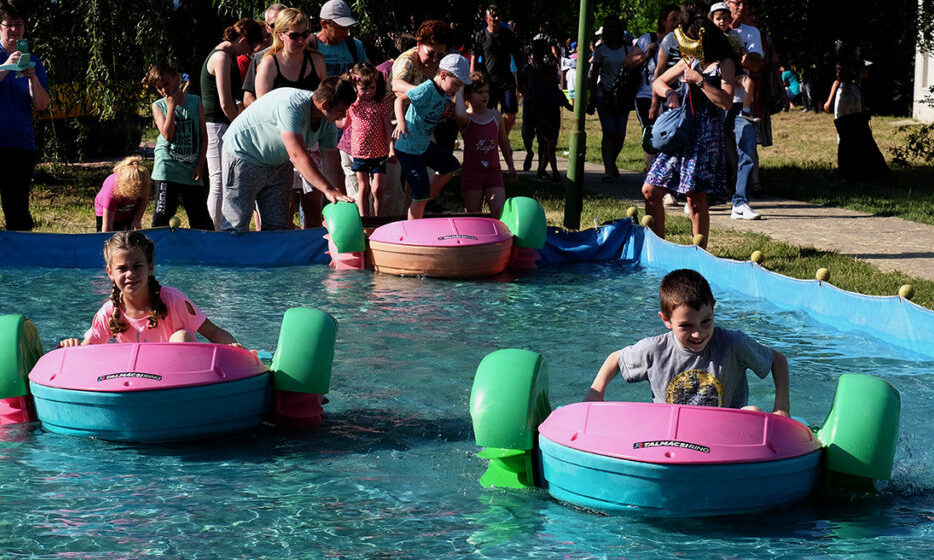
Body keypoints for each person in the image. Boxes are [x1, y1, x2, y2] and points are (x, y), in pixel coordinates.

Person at [585, 269, 790, 417]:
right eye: (686, 325)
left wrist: (781, 408)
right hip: (670, 432)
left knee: (752, 413)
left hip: (725, 430)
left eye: (706, 321)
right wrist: (595, 393)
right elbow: (616, 358)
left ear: (713, 308)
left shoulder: (733, 344)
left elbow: (777, 360)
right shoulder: (654, 350)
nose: (697, 333)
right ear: (666, 320)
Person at [641, 18, 736, 249]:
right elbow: (659, 82)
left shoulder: (724, 63)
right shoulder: (688, 61)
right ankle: (659, 248)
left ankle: (698, 253)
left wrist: (701, 81)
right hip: (681, 133)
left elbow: (726, 102)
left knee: (695, 197)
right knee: (650, 190)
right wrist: (671, 94)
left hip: (705, 136)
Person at [220, 77, 356, 233]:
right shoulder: (292, 106)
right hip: (243, 155)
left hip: (278, 163)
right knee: (235, 226)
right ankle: (229, 257)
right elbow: (297, 155)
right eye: (341, 110)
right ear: (325, 104)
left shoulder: (327, 123)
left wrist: (339, 197)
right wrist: (327, 189)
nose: (344, 115)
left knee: (278, 227)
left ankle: (270, 258)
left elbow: (332, 164)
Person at [59, 232, 239, 347]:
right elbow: (86, 351)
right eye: (122, 268)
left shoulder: (174, 300)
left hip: (179, 380)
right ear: (110, 272)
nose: (130, 274)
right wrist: (71, 347)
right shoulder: (109, 312)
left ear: (150, 267)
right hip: (136, 383)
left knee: (181, 337)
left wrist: (237, 350)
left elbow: (213, 332)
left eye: (137, 266)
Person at [255, 8, 328, 228]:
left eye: (305, 34)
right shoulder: (269, 63)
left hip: (310, 139)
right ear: (280, 34)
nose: (301, 39)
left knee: (314, 205)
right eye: (295, 35)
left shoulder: (316, 60)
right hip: (280, 142)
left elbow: (327, 98)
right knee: (282, 208)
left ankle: (312, 255)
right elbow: (263, 110)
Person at [200, 18, 264, 230]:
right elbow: (226, 102)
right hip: (217, 125)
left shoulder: (223, 55)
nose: (247, 55)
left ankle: (215, 228)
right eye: (249, 49)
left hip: (220, 124)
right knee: (219, 181)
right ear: (243, 40)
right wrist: (239, 127)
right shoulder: (222, 58)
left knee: (221, 180)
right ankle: (213, 230)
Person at [392, 53, 469, 220]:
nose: (456, 89)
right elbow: (399, 101)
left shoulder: (444, 93)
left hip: (422, 145)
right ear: (443, 75)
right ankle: (414, 231)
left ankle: (427, 200)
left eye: (460, 86)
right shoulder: (426, 89)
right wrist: (401, 123)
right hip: (409, 149)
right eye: (456, 84)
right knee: (419, 195)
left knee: (452, 166)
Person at [144, 62, 213, 230]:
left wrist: (200, 164)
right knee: (162, 216)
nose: (164, 90)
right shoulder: (158, 106)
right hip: (167, 167)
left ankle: (204, 253)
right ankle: (156, 253)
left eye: (166, 84)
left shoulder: (195, 102)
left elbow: (204, 137)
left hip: (190, 168)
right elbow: (167, 136)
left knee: (201, 219)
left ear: (177, 79)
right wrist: (171, 106)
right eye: (159, 88)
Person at [0, 0, 49, 231]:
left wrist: (33, 78)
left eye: (18, 24)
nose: (14, 29)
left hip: (20, 145)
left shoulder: (34, 61)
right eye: (9, 24)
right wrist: (5, 67)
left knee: (18, 212)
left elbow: (41, 105)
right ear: (0, 26)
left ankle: (19, 267)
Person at [454, 71, 516, 218]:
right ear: (468, 96)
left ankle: (498, 240)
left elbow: (504, 143)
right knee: (474, 216)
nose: (485, 96)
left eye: (487, 92)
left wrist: (511, 165)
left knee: (499, 212)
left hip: (493, 173)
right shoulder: (466, 119)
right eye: (480, 92)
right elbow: (460, 114)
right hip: (472, 174)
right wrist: (461, 89)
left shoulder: (496, 116)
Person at [626, 4, 680, 173]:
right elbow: (628, 63)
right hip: (646, 95)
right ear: (663, 21)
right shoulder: (648, 39)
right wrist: (647, 55)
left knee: (670, 136)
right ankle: (652, 175)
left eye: (680, 20)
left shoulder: (682, 41)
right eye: (674, 19)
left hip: (674, 95)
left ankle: (667, 175)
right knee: (651, 134)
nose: (677, 23)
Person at [723, 0, 763, 220]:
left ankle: (740, 202)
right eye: (736, 2)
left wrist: (746, 58)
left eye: (744, 3)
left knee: (747, 149)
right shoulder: (712, 30)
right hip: (717, 98)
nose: (740, 7)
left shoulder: (751, 32)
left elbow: (756, 64)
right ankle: (700, 196)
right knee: (711, 149)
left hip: (741, 101)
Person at [587, 15, 638, 182]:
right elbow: (594, 75)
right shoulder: (600, 50)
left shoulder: (628, 49)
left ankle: (612, 162)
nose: (611, 30)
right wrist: (592, 99)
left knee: (620, 134)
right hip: (605, 96)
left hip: (622, 97)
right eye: (608, 27)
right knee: (609, 132)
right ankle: (608, 169)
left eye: (614, 26)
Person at [341, 62, 395, 217]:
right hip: (360, 153)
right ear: (355, 87)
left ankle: (378, 218)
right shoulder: (352, 106)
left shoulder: (381, 106)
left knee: (378, 188)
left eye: (372, 88)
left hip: (379, 152)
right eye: (364, 88)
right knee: (363, 188)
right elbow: (344, 124)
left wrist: (391, 148)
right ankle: (364, 219)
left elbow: (388, 128)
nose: (369, 92)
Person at [470, 5, 524, 135]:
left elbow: (517, 55)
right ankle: (493, 140)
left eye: (498, 15)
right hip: (488, 83)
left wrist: (521, 77)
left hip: (506, 81)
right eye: (493, 15)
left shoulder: (508, 35)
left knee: (511, 114)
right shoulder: (480, 35)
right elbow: (473, 57)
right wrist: (472, 78)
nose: (496, 18)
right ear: (486, 18)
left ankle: (502, 138)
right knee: (488, 114)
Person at [242, 3, 289, 108]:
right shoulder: (259, 57)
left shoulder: (309, 55)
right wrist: (267, 113)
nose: (279, 29)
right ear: (267, 28)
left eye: (283, 23)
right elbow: (248, 98)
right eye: (274, 25)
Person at [93, 157, 151, 232]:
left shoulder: (143, 183)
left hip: (128, 207)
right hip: (107, 209)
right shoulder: (111, 191)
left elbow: (143, 200)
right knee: (112, 236)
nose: (137, 194)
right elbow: (107, 227)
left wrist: (136, 220)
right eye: (134, 192)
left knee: (129, 235)